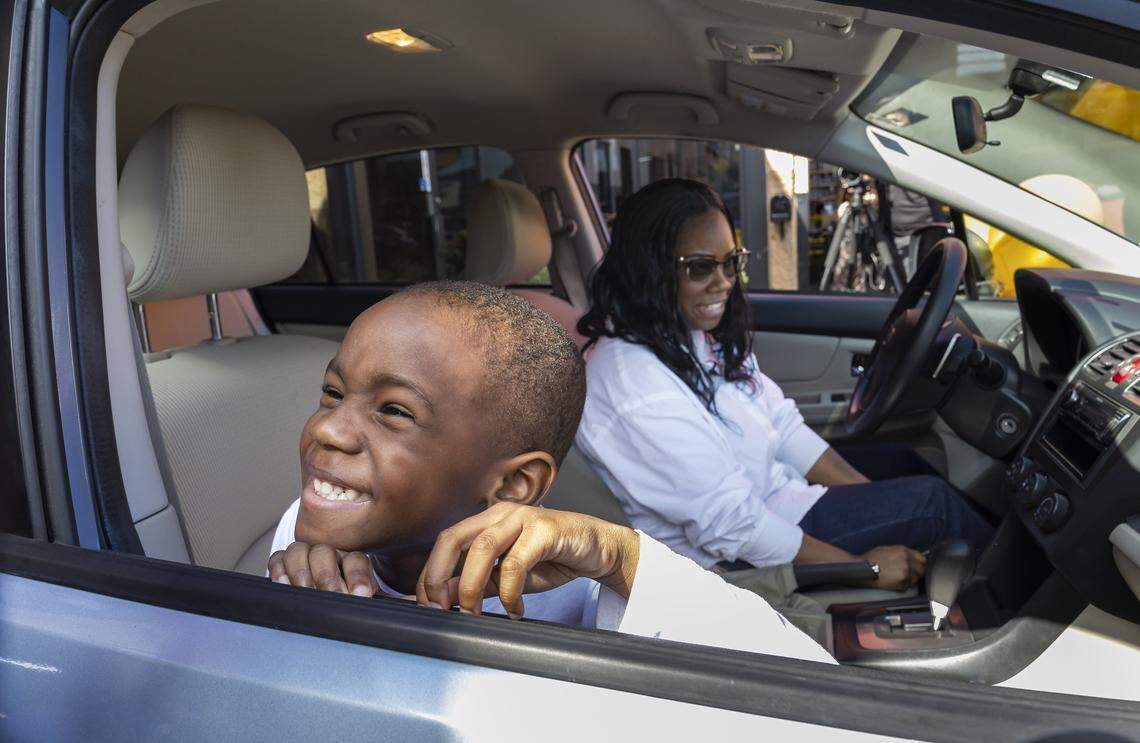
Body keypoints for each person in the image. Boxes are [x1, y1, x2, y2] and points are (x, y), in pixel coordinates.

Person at [266, 280, 834, 663]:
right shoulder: (316, 522)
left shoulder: (574, 589)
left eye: (394, 411)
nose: (327, 430)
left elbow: (803, 684)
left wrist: (622, 560)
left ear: (515, 487)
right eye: (332, 393)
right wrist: (294, 596)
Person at [574, 178, 994, 595]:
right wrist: (861, 567)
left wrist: (877, 500)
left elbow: (782, 423)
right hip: (736, 555)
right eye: (699, 267)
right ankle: (1016, 603)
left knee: (907, 465)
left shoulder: (686, 335)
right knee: (932, 504)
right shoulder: (635, 383)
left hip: (776, 498)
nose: (724, 281)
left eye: (730, 261)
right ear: (648, 270)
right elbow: (731, 525)